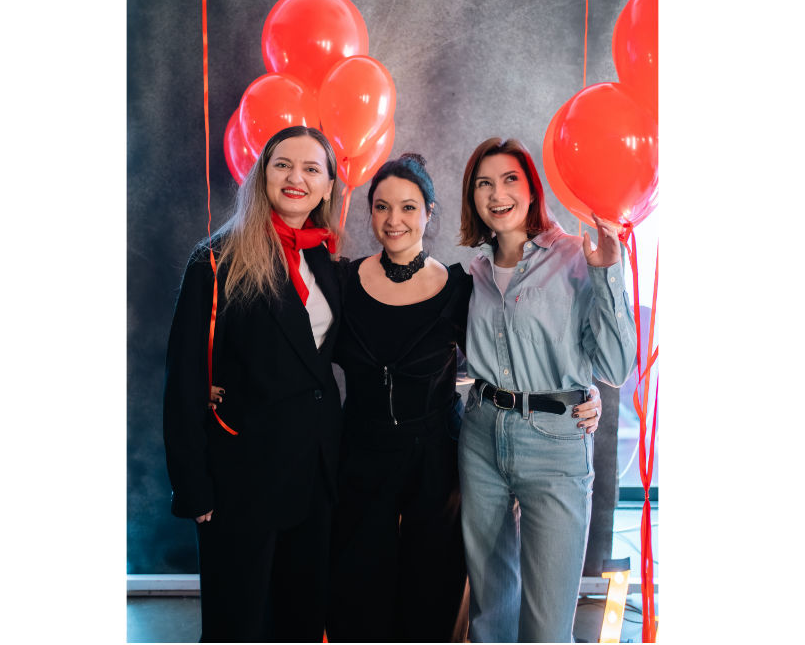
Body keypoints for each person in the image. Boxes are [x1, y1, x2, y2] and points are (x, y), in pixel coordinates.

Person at [324, 153, 604, 643]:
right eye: (382, 207)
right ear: (369, 212)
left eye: (408, 207)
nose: (394, 220)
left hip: (437, 462)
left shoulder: (460, 286)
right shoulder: (343, 281)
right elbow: (301, 350)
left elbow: (518, 345)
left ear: (429, 212)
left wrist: (584, 387)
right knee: (358, 593)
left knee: (432, 593)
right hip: (360, 459)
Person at [162, 126, 345, 642]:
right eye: (283, 164)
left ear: (328, 186)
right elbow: (184, 381)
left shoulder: (325, 259)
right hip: (241, 477)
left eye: (311, 169)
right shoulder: (215, 259)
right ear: (262, 175)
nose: (295, 178)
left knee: (300, 623)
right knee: (236, 625)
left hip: (314, 473)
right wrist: (193, 486)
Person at [455, 137, 636, 643]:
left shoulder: (576, 257)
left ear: (532, 189)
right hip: (481, 434)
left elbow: (615, 366)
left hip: (555, 440)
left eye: (509, 179)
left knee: (547, 623)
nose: (497, 194)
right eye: (484, 184)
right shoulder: (475, 271)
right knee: (490, 613)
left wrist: (608, 273)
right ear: (473, 198)